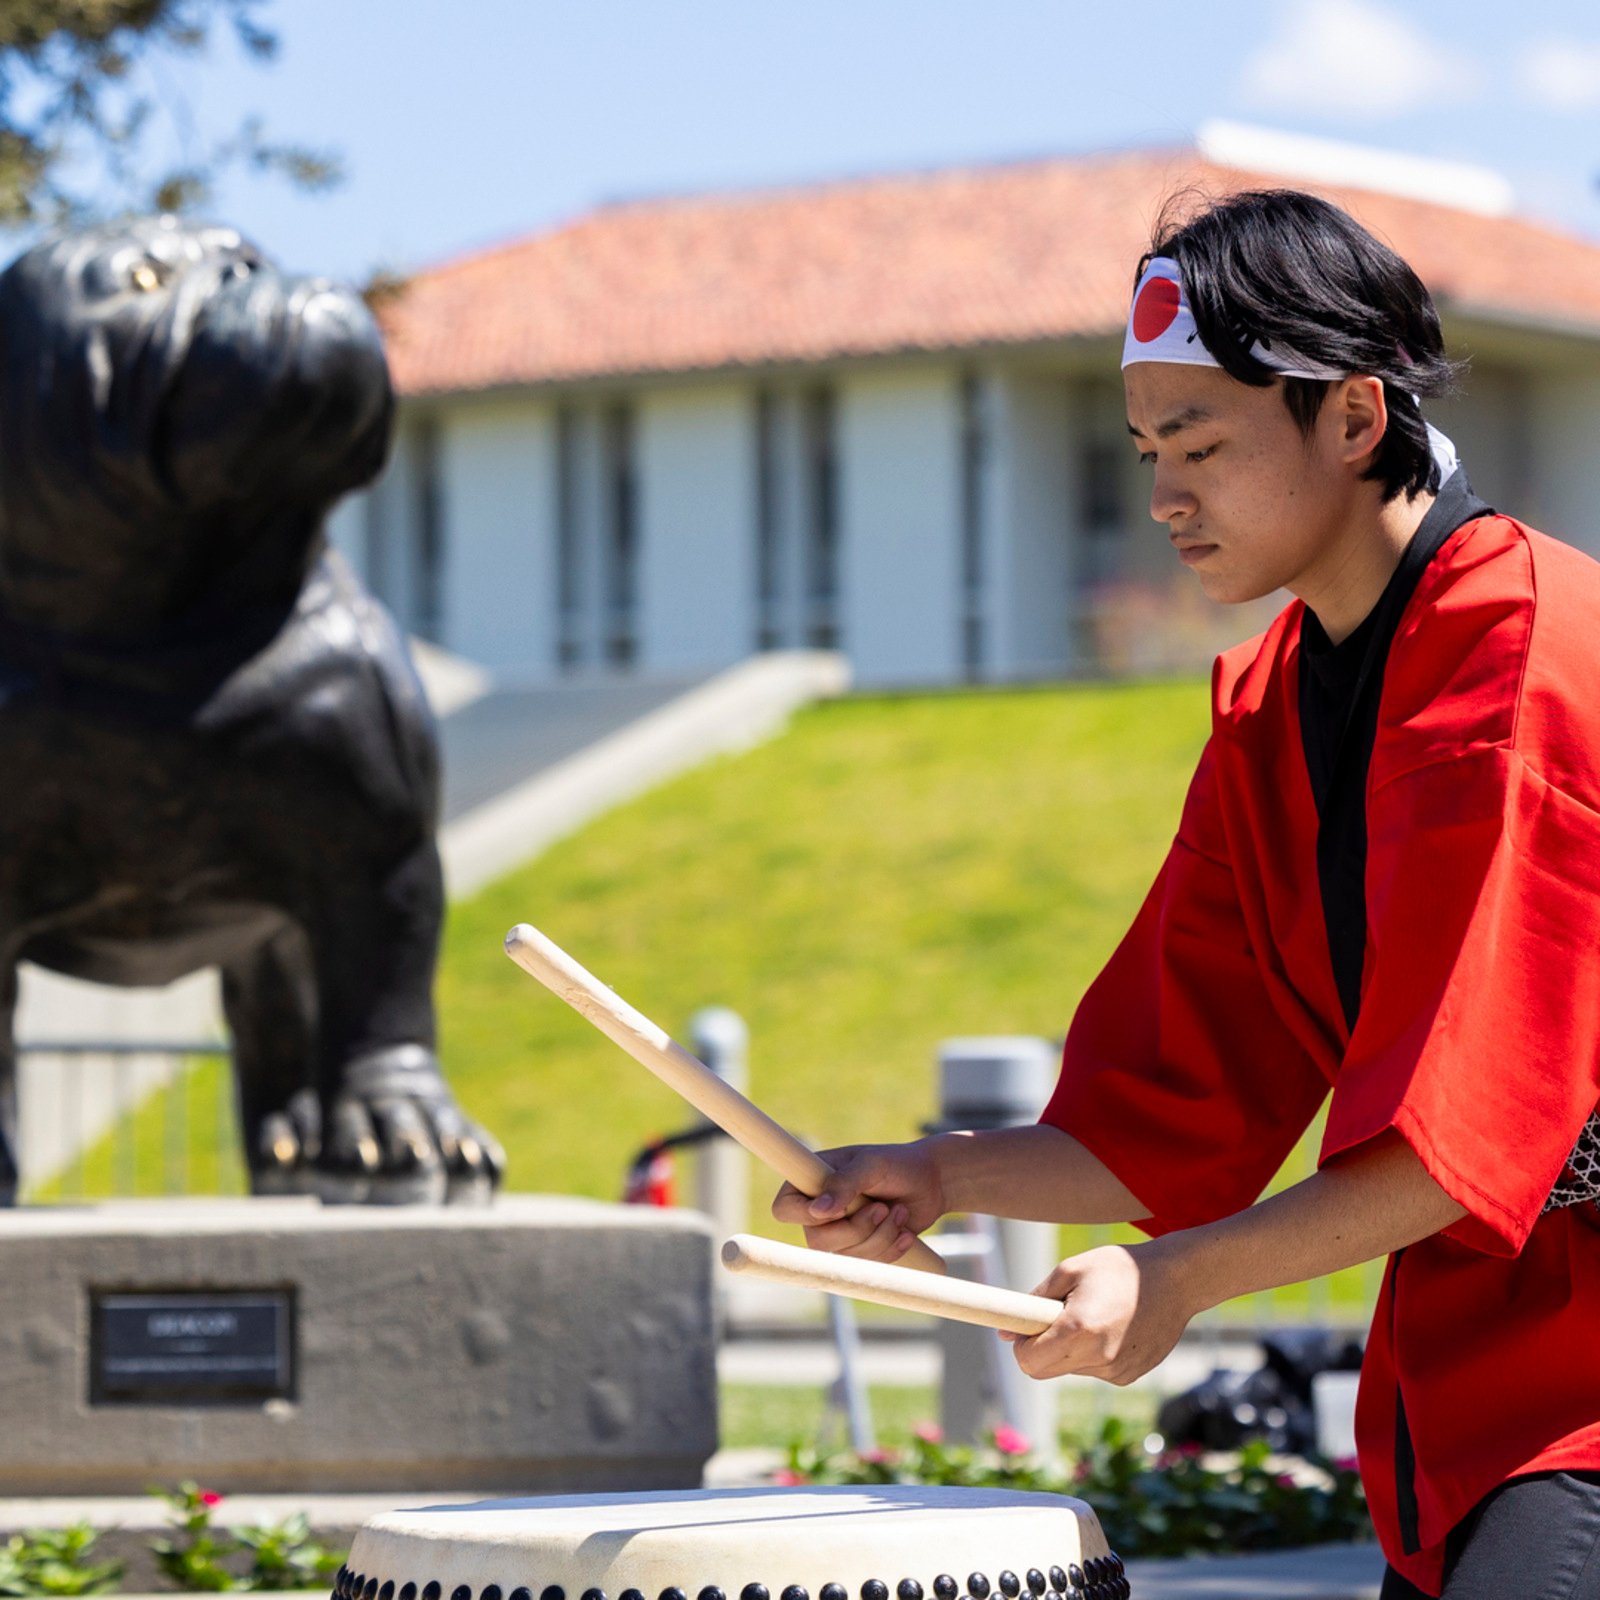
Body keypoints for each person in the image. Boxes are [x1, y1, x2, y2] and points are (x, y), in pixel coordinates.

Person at [772, 189, 1600, 1600]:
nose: (1162, 495)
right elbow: (1177, 1112)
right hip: (1484, 1388)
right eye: (1147, 447)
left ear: (1352, 418)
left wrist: (1175, 1281)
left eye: (1203, 444)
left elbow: (1460, 1146)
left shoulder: (1519, 658)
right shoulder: (1276, 706)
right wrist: (938, 1178)